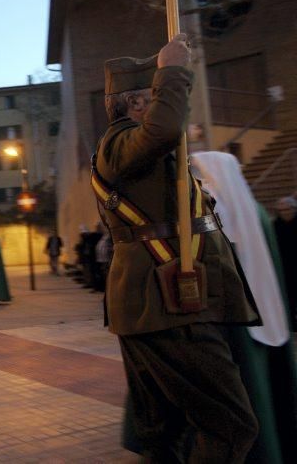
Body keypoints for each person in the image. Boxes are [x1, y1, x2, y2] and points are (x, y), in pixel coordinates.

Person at [93, 35, 260, 462]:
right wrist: (172, 71)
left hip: (160, 303)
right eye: (156, 96)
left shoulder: (135, 145)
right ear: (136, 103)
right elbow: (164, 130)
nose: (163, 103)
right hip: (166, 304)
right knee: (230, 426)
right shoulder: (120, 142)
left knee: (162, 432)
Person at [190, 151, 297, 463]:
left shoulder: (216, 211)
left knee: (248, 386)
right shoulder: (259, 211)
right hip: (269, 310)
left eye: (199, 171)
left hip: (234, 319)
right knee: (271, 387)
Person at [273, 196, 297, 327]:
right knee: (289, 295)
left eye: (287, 209)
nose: (285, 213)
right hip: (285, 266)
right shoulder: (276, 225)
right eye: (281, 210)